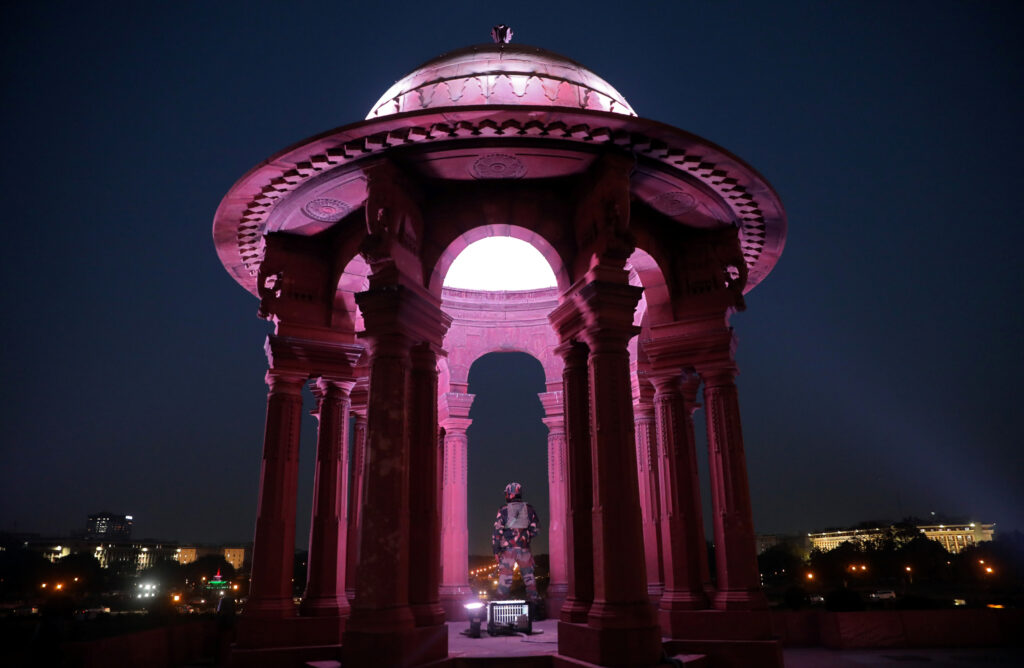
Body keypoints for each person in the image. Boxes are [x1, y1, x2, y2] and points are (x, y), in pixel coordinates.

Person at [492, 481, 540, 601]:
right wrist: (525, 538)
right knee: (529, 579)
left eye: (507, 494)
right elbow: (536, 529)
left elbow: (497, 532)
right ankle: (534, 604)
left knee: (505, 580)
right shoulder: (529, 509)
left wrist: (496, 551)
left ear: (511, 494)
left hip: (508, 551)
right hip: (524, 550)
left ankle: (501, 603)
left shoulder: (503, 510)